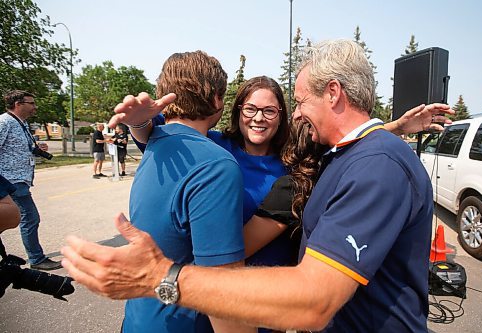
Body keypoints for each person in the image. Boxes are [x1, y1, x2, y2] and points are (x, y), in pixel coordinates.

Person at [63, 39, 438, 332]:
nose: (263, 117)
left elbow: (360, 157)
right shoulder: (215, 150)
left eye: (279, 108)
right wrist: (140, 124)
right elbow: (170, 138)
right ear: (232, 108)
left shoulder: (300, 165)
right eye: (250, 109)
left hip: (257, 306)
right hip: (222, 304)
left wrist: (388, 133)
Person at [113, 51, 255, 333]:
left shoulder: (156, 141)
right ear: (217, 98)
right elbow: (223, 292)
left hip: (140, 318)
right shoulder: (216, 164)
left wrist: (139, 123)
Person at [0, 90, 62, 271]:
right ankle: (36, 259)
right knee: (30, 218)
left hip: (20, 179)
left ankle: (35, 257)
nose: (35, 107)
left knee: (25, 218)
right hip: (11, 180)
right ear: (18, 104)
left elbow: (16, 148)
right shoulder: (4, 122)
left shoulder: (21, 123)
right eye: (31, 103)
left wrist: (36, 148)